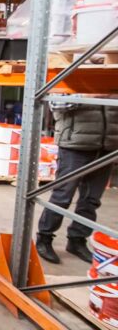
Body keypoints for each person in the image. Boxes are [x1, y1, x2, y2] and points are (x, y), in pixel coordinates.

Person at [36, 100, 117, 264]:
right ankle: (44, 238)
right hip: (75, 143)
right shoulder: (72, 76)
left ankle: (77, 240)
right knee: (62, 196)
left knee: (91, 199)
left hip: (107, 145)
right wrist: (91, 95)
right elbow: (56, 103)